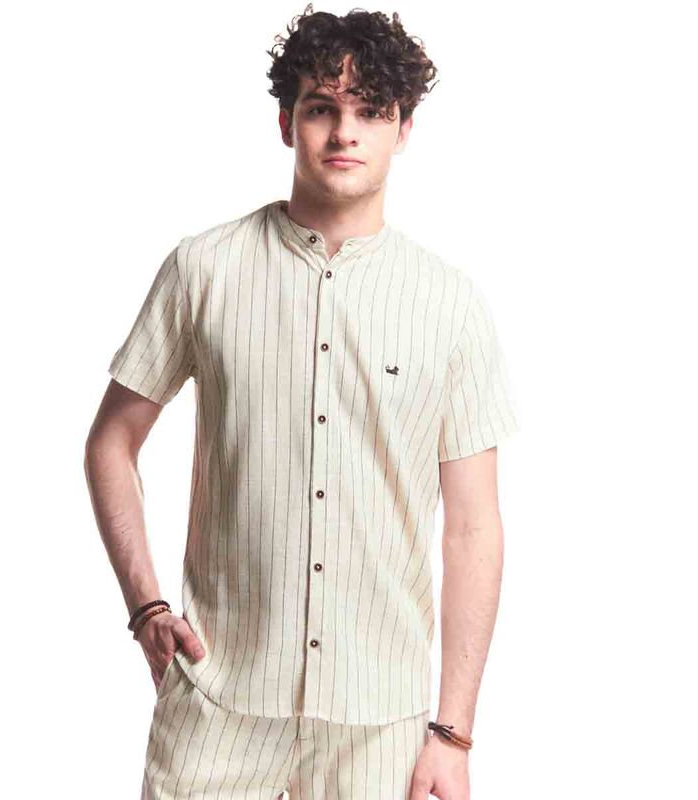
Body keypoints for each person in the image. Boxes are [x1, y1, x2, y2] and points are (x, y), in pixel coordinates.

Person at [84, 6, 519, 799]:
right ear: (287, 122)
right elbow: (111, 442)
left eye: (371, 112)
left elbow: (473, 528)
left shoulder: (451, 306)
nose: (345, 132)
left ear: (404, 129)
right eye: (322, 108)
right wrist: (146, 606)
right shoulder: (203, 270)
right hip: (217, 706)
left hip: (379, 727)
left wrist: (453, 732)